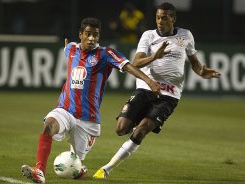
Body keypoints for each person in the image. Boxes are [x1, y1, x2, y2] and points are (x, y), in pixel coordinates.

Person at [20, 17, 165, 183]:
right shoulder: (71, 49)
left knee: (76, 165)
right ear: (80, 34)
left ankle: (79, 170)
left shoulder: (105, 54)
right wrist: (67, 46)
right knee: (48, 126)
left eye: (95, 35)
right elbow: (69, 48)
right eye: (88, 34)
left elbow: (128, 66)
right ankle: (40, 171)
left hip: (88, 120)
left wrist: (149, 81)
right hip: (65, 109)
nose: (92, 38)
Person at [93, 2, 221, 179]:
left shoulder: (186, 35)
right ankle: (138, 123)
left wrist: (201, 71)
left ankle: (106, 169)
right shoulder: (148, 35)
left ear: (173, 19)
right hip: (145, 89)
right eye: (158, 17)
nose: (160, 21)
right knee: (121, 129)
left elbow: (194, 63)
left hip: (169, 96)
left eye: (165, 18)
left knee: (143, 129)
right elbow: (136, 62)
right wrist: (155, 56)